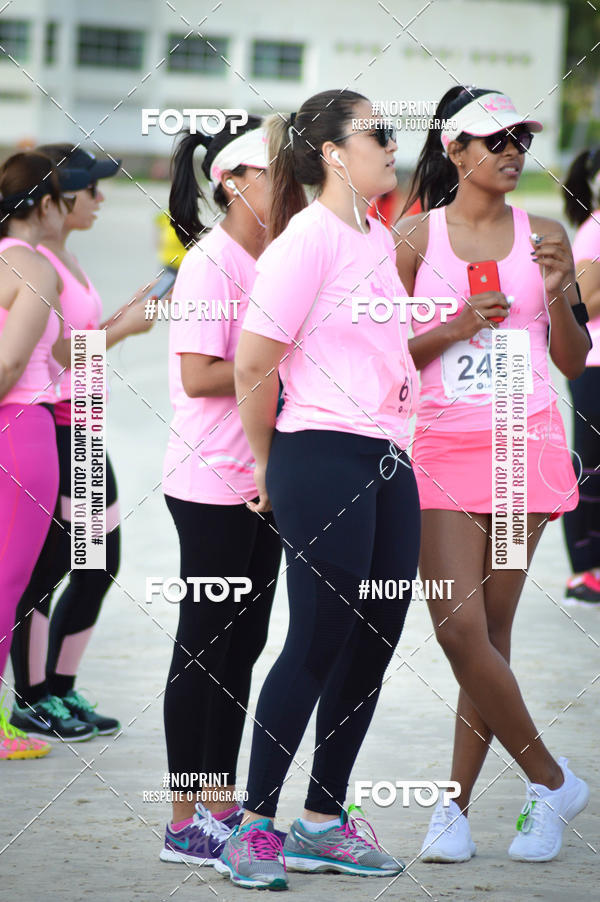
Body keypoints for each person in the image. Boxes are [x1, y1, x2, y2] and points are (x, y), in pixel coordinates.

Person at [216, 90, 420, 891]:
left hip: (386, 455)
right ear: (335, 151)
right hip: (318, 452)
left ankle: (323, 822)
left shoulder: (371, 232)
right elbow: (251, 361)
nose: (391, 144)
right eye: (379, 132)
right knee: (316, 637)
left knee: (374, 638)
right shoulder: (307, 239)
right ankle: (254, 828)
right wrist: (268, 464)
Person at [394, 85, 591, 864]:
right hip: (442, 449)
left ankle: (453, 809)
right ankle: (551, 780)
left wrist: (559, 294)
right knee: (458, 630)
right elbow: (381, 359)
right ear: (456, 151)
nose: (512, 151)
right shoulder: (412, 239)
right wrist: (453, 327)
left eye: (520, 138)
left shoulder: (545, 234)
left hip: (522, 447)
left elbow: (573, 360)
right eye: (495, 139)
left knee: (493, 634)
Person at [160, 116, 282, 867]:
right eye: (275, 172)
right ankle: (181, 818)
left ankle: (218, 799)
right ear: (233, 182)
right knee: (204, 647)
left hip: (266, 481)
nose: (291, 185)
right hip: (210, 482)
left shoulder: (275, 258)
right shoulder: (213, 260)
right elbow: (199, 374)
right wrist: (286, 362)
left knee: (244, 644)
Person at [9, 145, 156, 742]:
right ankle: (33, 696)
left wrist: (114, 325)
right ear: (58, 200)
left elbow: (79, 344)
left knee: (96, 565)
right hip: (59, 424)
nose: (100, 198)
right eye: (92, 189)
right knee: (50, 567)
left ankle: (60, 690)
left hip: (84, 423)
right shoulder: (33, 261)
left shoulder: (64, 258)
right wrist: (122, 330)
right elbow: (64, 352)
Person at [0, 151, 89, 758]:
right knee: (8, 586)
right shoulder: (34, 267)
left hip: (41, 424)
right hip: (25, 429)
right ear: (45, 203)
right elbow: (14, 362)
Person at [562, 146, 600, 604]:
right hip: (592, 366)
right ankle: (582, 571)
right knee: (589, 466)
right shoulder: (594, 232)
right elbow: (582, 306)